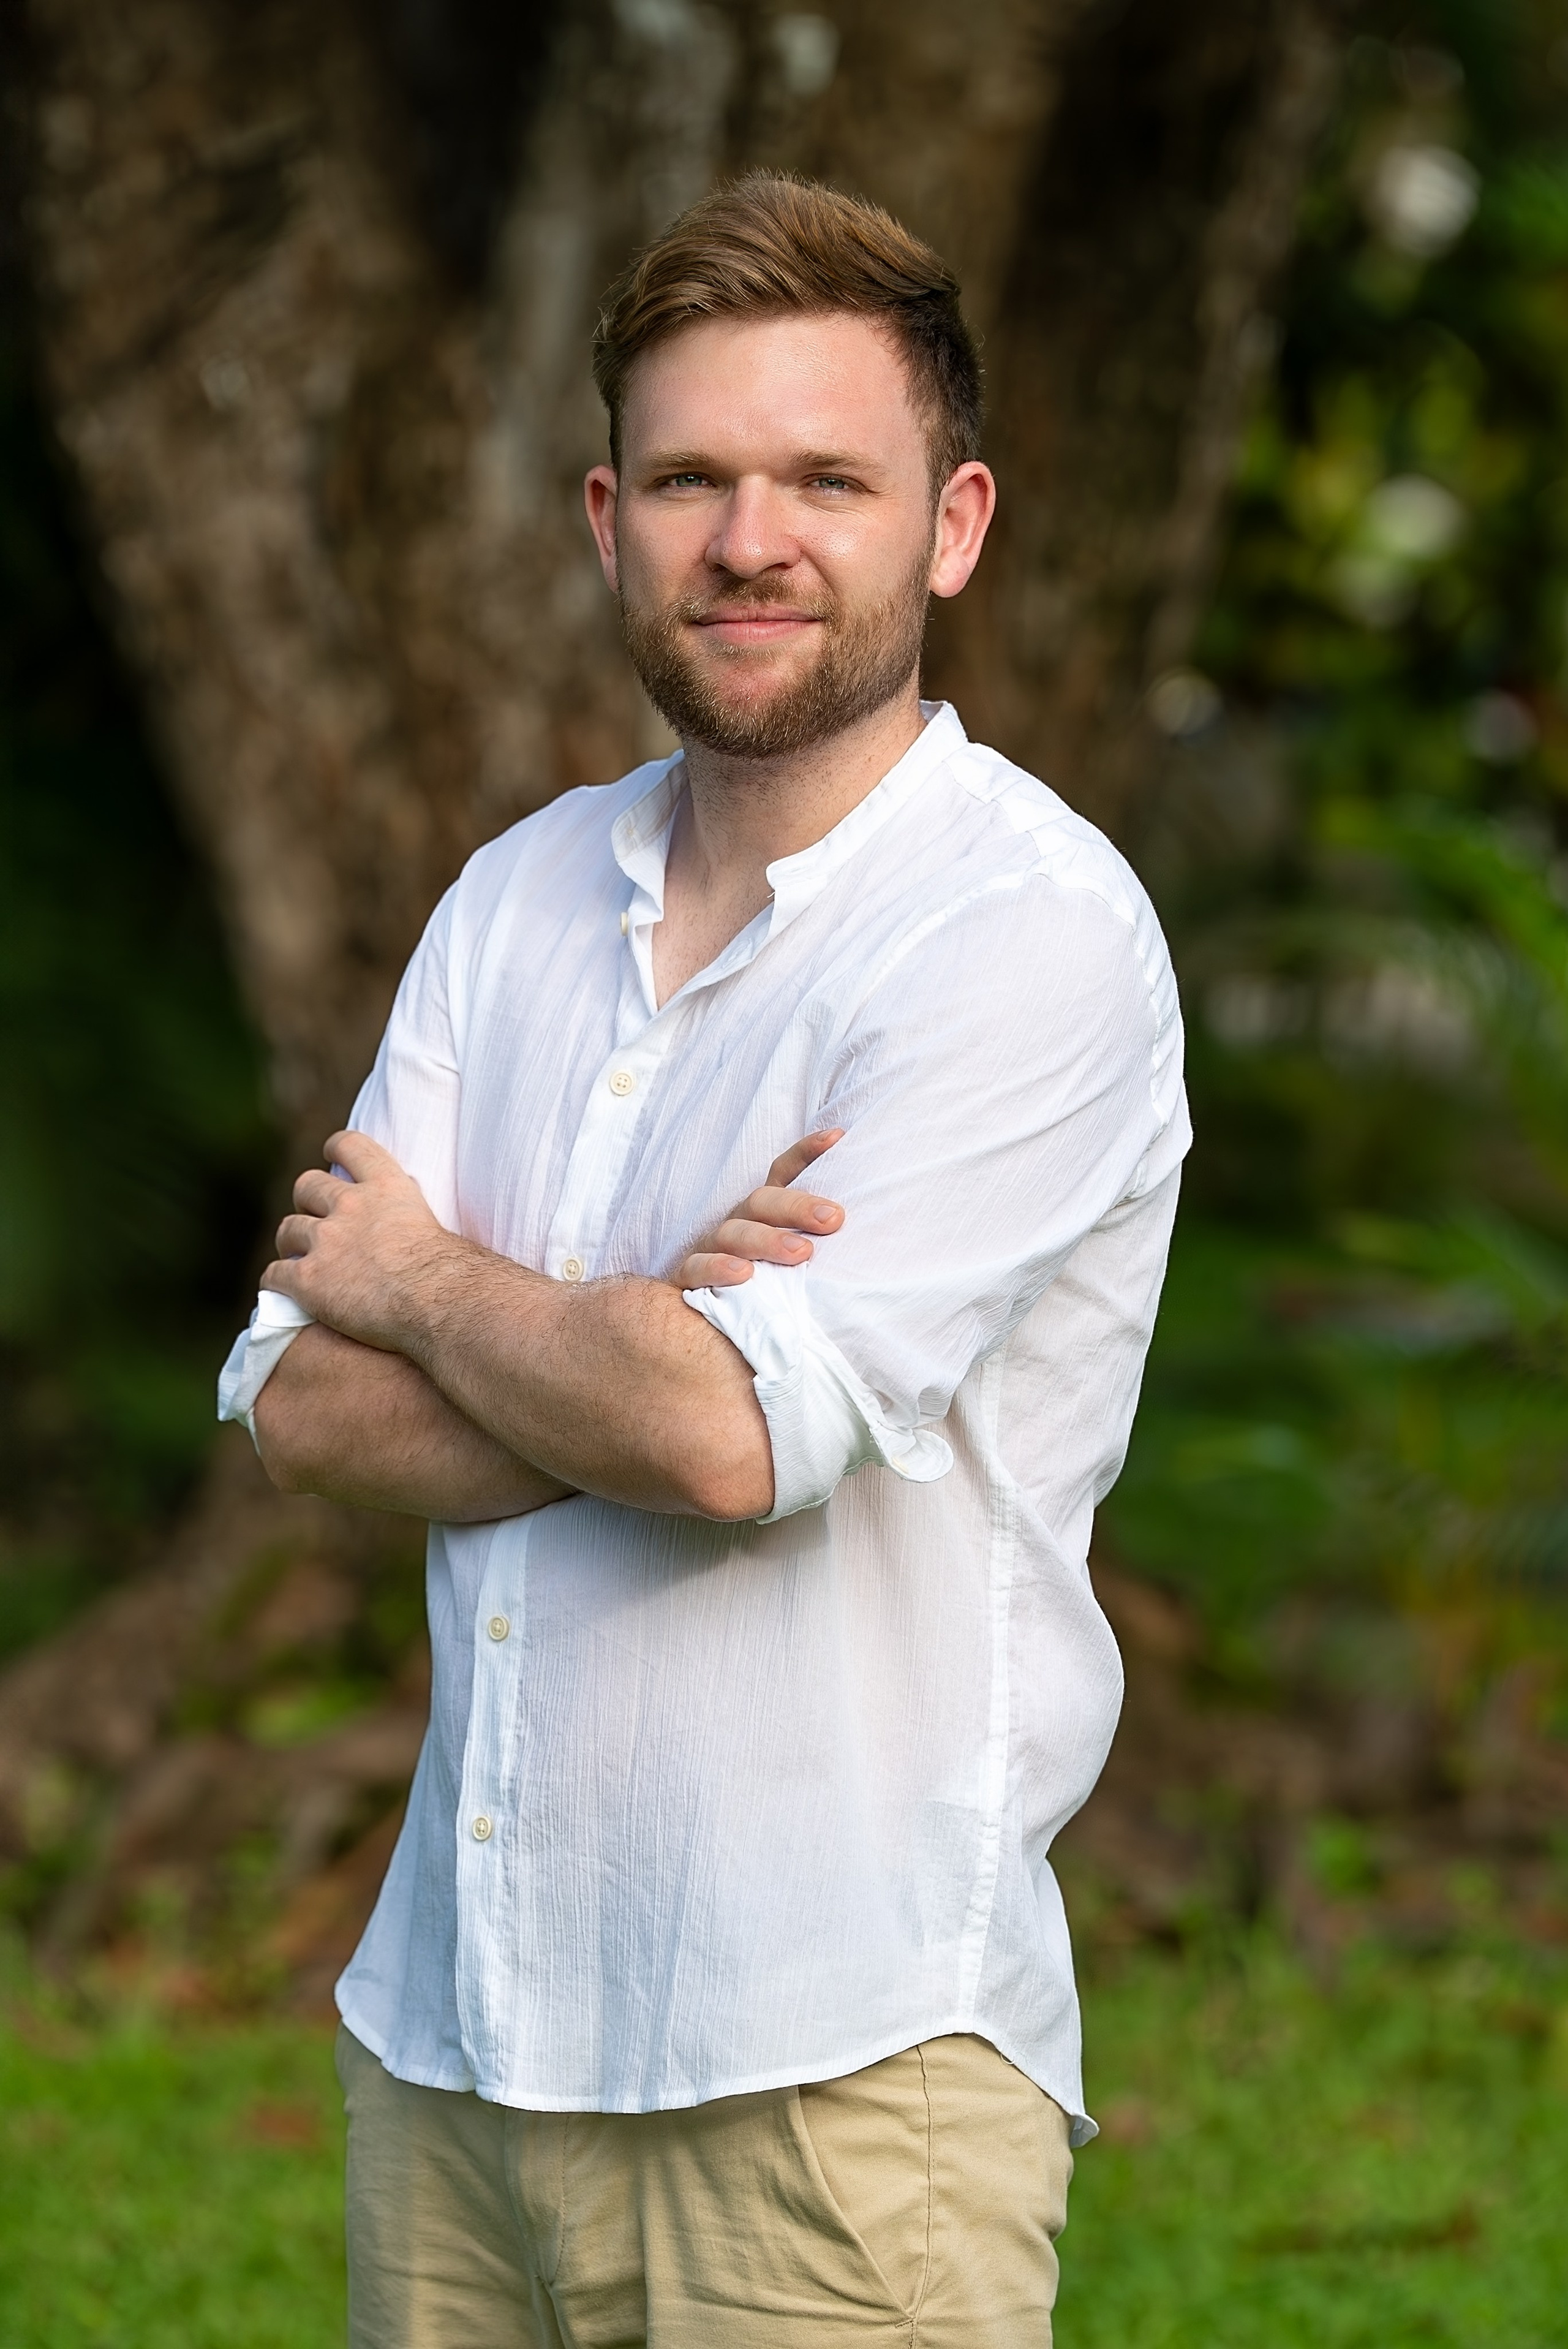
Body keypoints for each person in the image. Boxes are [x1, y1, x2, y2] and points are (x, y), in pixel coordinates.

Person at [219, 171, 1188, 2348]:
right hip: (454, 2058)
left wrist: (446, 1285)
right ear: (605, 519)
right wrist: (647, 1322)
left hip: (834, 2080)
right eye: (692, 478)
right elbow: (298, 1404)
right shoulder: (514, 898)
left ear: (950, 525)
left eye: (825, 479)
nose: (751, 538)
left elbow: (737, 1436)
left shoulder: (1026, 931)